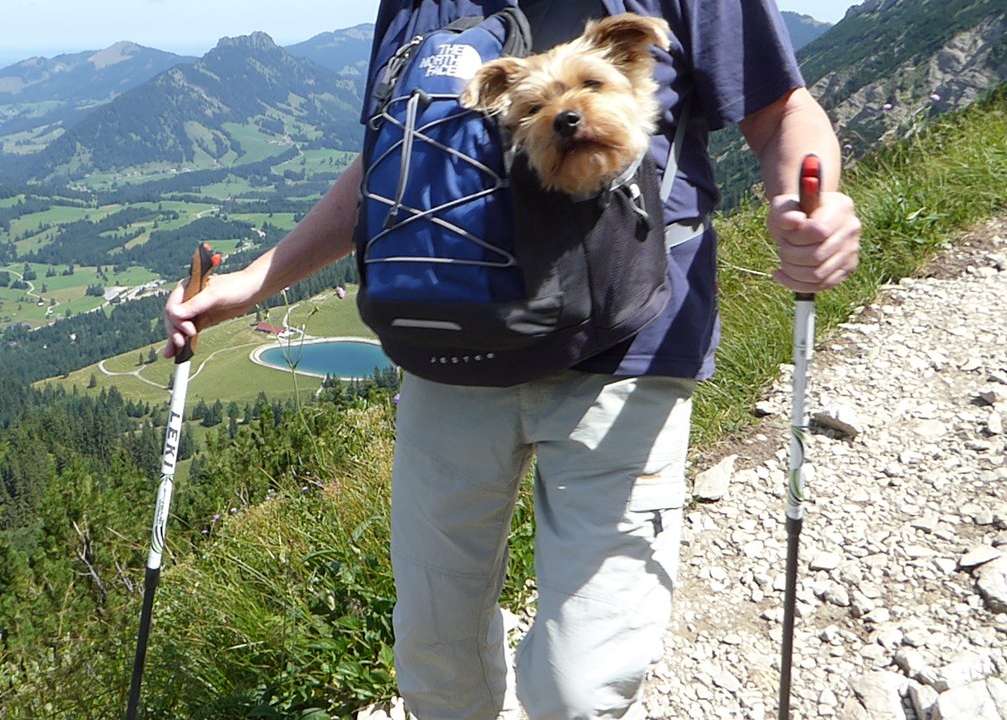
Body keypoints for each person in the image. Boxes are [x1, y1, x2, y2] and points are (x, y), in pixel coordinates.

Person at [163, 0, 862, 717]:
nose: (569, 112)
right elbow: (393, 157)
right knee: (436, 668)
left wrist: (812, 202)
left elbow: (780, 110)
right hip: (451, 350)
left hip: (626, 341)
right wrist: (257, 282)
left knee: (580, 689)